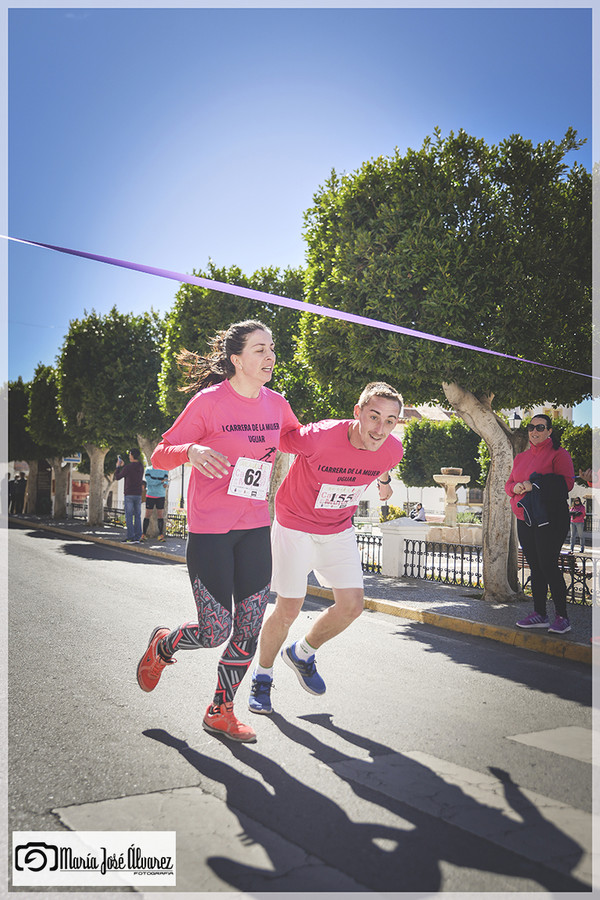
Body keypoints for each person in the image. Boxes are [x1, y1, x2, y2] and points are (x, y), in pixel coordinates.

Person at [135, 320, 299, 743]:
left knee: (249, 627)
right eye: (260, 349)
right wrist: (191, 450)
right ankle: (164, 645)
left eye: (272, 348)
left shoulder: (277, 404)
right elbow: (160, 455)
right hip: (211, 530)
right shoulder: (209, 403)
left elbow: (299, 441)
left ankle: (220, 710)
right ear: (236, 359)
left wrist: (353, 443)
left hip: (255, 527)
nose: (270, 356)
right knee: (215, 632)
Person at [248, 382, 404, 716]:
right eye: (374, 417)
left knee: (352, 606)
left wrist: (384, 482)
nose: (380, 429)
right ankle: (262, 677)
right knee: (288, 609)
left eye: (390, 421)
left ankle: (302, 653)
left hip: (338, 530)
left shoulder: (393, 449)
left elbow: (383, 460)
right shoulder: (319, 436)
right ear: (358, 412)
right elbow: (277, 437)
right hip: (295, 527)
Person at [505, 414, 575, 634]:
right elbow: (509, 484)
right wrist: (515, 488)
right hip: (525, 518)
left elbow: (567, 484)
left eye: (540, 427)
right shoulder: (521, 457)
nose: (534, 431)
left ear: (549, 431)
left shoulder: (559, 454)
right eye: (531, 427)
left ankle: (562, 617)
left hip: (550, 519)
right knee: (535, 567)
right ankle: (540, 614)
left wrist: (533, 485)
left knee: (548, 565)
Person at [115, 449, 144, 542]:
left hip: (129, 494)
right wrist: (124, 466)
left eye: (130, 454)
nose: (129, 456)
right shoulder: (140, 466)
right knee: (138, 516)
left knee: (129, 516)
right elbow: (133, 472)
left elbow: (117, 477)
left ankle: (130, 536)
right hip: (138, 494)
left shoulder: (128, 467)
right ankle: (138, 537)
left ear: (132, 455)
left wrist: (118, 467)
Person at [141, 465, 169, 542]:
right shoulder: (148, 469)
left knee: (160, 515)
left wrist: (165, 483)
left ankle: (161, 535)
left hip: (161, 495)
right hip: (150, 495)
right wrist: (161, 481)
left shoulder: (165, 469)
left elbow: (166, 481)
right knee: (147, 514)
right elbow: (149, 481)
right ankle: (143, 534)